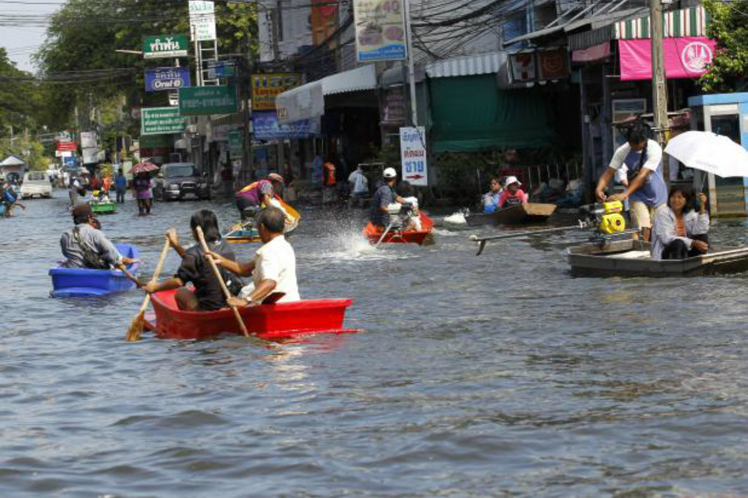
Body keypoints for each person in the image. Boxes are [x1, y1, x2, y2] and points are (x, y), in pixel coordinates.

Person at [144, 210, 240, 311]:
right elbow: (196, 260)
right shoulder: (225, 246)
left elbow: (179, 282)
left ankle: (193, 320)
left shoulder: (194, 253)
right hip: (230, 304)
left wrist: (155, 287)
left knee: (181, 292)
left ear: (195, 230)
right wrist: (176, 245)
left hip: (209, 307)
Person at [209, 207, 300, 307]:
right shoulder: (285, 246)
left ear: (262, 227)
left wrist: (245, 300)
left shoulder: (268, 251)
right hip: (292, 303)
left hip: (275, 309)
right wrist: (220, 260)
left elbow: (270, 283)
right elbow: (245, 270)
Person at [595, 124, 668, 242]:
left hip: (658, 194)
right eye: (630, 142)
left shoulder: (654, 148)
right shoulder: (622, 151)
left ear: (644, 140)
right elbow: (609, 172)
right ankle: (643, 251)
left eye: (635, 143)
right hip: (637, 194)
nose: (633, 146)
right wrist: (599, 189)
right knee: (642, 227)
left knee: (661, 229)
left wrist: (624, 195)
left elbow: (643, 175)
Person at [60, 204, 136, 270]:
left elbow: (66, 254)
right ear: (89, 217)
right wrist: (119, 262)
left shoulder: (65, 235)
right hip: (93, 271)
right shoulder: (96, 233)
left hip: (72, 270)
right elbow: (110, 252)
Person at [651, 188, 710, 261]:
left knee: (702, 236)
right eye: (673, 197)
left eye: (680, 197)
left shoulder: (688, 213)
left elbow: (701, 230)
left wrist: (702, 205)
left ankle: (700, 262)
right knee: (678, 243)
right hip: (666, 254)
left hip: (685, 251)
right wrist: (692, 242)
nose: (676, 200)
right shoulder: (663, 212)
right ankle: (678, 267)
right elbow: (666, 238)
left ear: (686, 200)